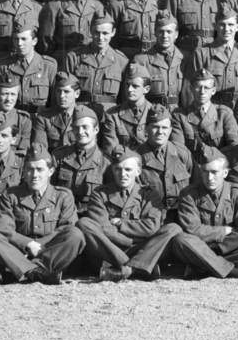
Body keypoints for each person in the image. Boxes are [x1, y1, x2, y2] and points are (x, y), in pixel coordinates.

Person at [0, 144, 85, 285]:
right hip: (18, 252)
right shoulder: (10, 195)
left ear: (50, 171)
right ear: (24, 171)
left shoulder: (63, 195)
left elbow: (67, 227)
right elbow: (3, 228)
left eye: (40, 169)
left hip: (49, 253)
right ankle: (37, 273)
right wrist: (27, 243)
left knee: (76, 234)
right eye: (30, 169)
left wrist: (39, 245)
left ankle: (19, 272)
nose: (34, 175)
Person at [170, 146, 238, 279]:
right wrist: (223, 231)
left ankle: (205, 269)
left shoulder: (237, 192)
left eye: (214, 172)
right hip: (201, 247)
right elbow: (192, 230)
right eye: (205, 171)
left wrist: (219, 247)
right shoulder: (189, 194)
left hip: (222, 250)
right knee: (181, 240)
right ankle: (235, 272)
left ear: (225, 173)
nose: (209, 177)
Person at [78, 148, 183, 282]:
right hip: (110, 249)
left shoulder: (149, 194)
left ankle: (127, 270)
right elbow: (104, 228)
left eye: (128, 170)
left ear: (138, 171)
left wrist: (121, 223)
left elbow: (151, 227)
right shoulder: (99, 194)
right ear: (112, 171)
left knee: (173, 228)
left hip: (142, 249)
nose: (123, 174)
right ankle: (140, 268)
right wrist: (130, 240)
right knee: (84, 223)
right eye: (118, 169)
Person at [39, 0, 107, 65]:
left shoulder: (97, 7)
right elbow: (45, 44)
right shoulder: (54, 7)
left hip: (89, 63)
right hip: (62, 63)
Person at [63, 15, 129, 116]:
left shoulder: (121, 61)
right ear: (90, 31)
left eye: (105, 33)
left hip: (109, 115)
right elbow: (62, 91)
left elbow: (125, 98)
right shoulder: (74, 57)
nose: (100, 37)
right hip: (79, 114)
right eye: (96, 32)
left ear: (113, 32)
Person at [136, 107, 196, 217]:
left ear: (170, 129)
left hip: (183, 215)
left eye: (164, 127)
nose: (160, 132)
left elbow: (197, 186)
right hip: (151, 216)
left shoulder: (183, 154)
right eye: (155, 127)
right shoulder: (136, 158)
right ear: (146, 128)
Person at [51, 108, 111, 215]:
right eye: (76, 127)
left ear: (96, 129)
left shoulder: (106, 162)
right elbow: (49, 189)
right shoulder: (59, 156)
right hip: (62, 212)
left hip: (93, 215)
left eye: (85, 127)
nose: (80, 132)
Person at [190, 4, 238, 107]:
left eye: (230, 25)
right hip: (212, 109)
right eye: (222, 24)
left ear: (237, 27)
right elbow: (191, 90)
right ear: (215, 26)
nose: (226, 29)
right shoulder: (202, 54)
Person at [173, 70, 238, 158]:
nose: (202, 92)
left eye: (206, 88)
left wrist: (217, 160)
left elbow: (235, 145)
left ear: (213, 91)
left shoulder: (224, 114)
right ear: (191, 88)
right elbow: (178, 149)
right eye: (198, 87)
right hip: (190, 165)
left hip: (218, 163)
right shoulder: (179, 116)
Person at [0, 24, 57, 114]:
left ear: (34, 41)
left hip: (39, 118)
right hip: (12, 119)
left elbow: (54, 102)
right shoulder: (3, 65)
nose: (19, 43)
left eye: (24, 39)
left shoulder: (48, 65)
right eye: (16, 39)